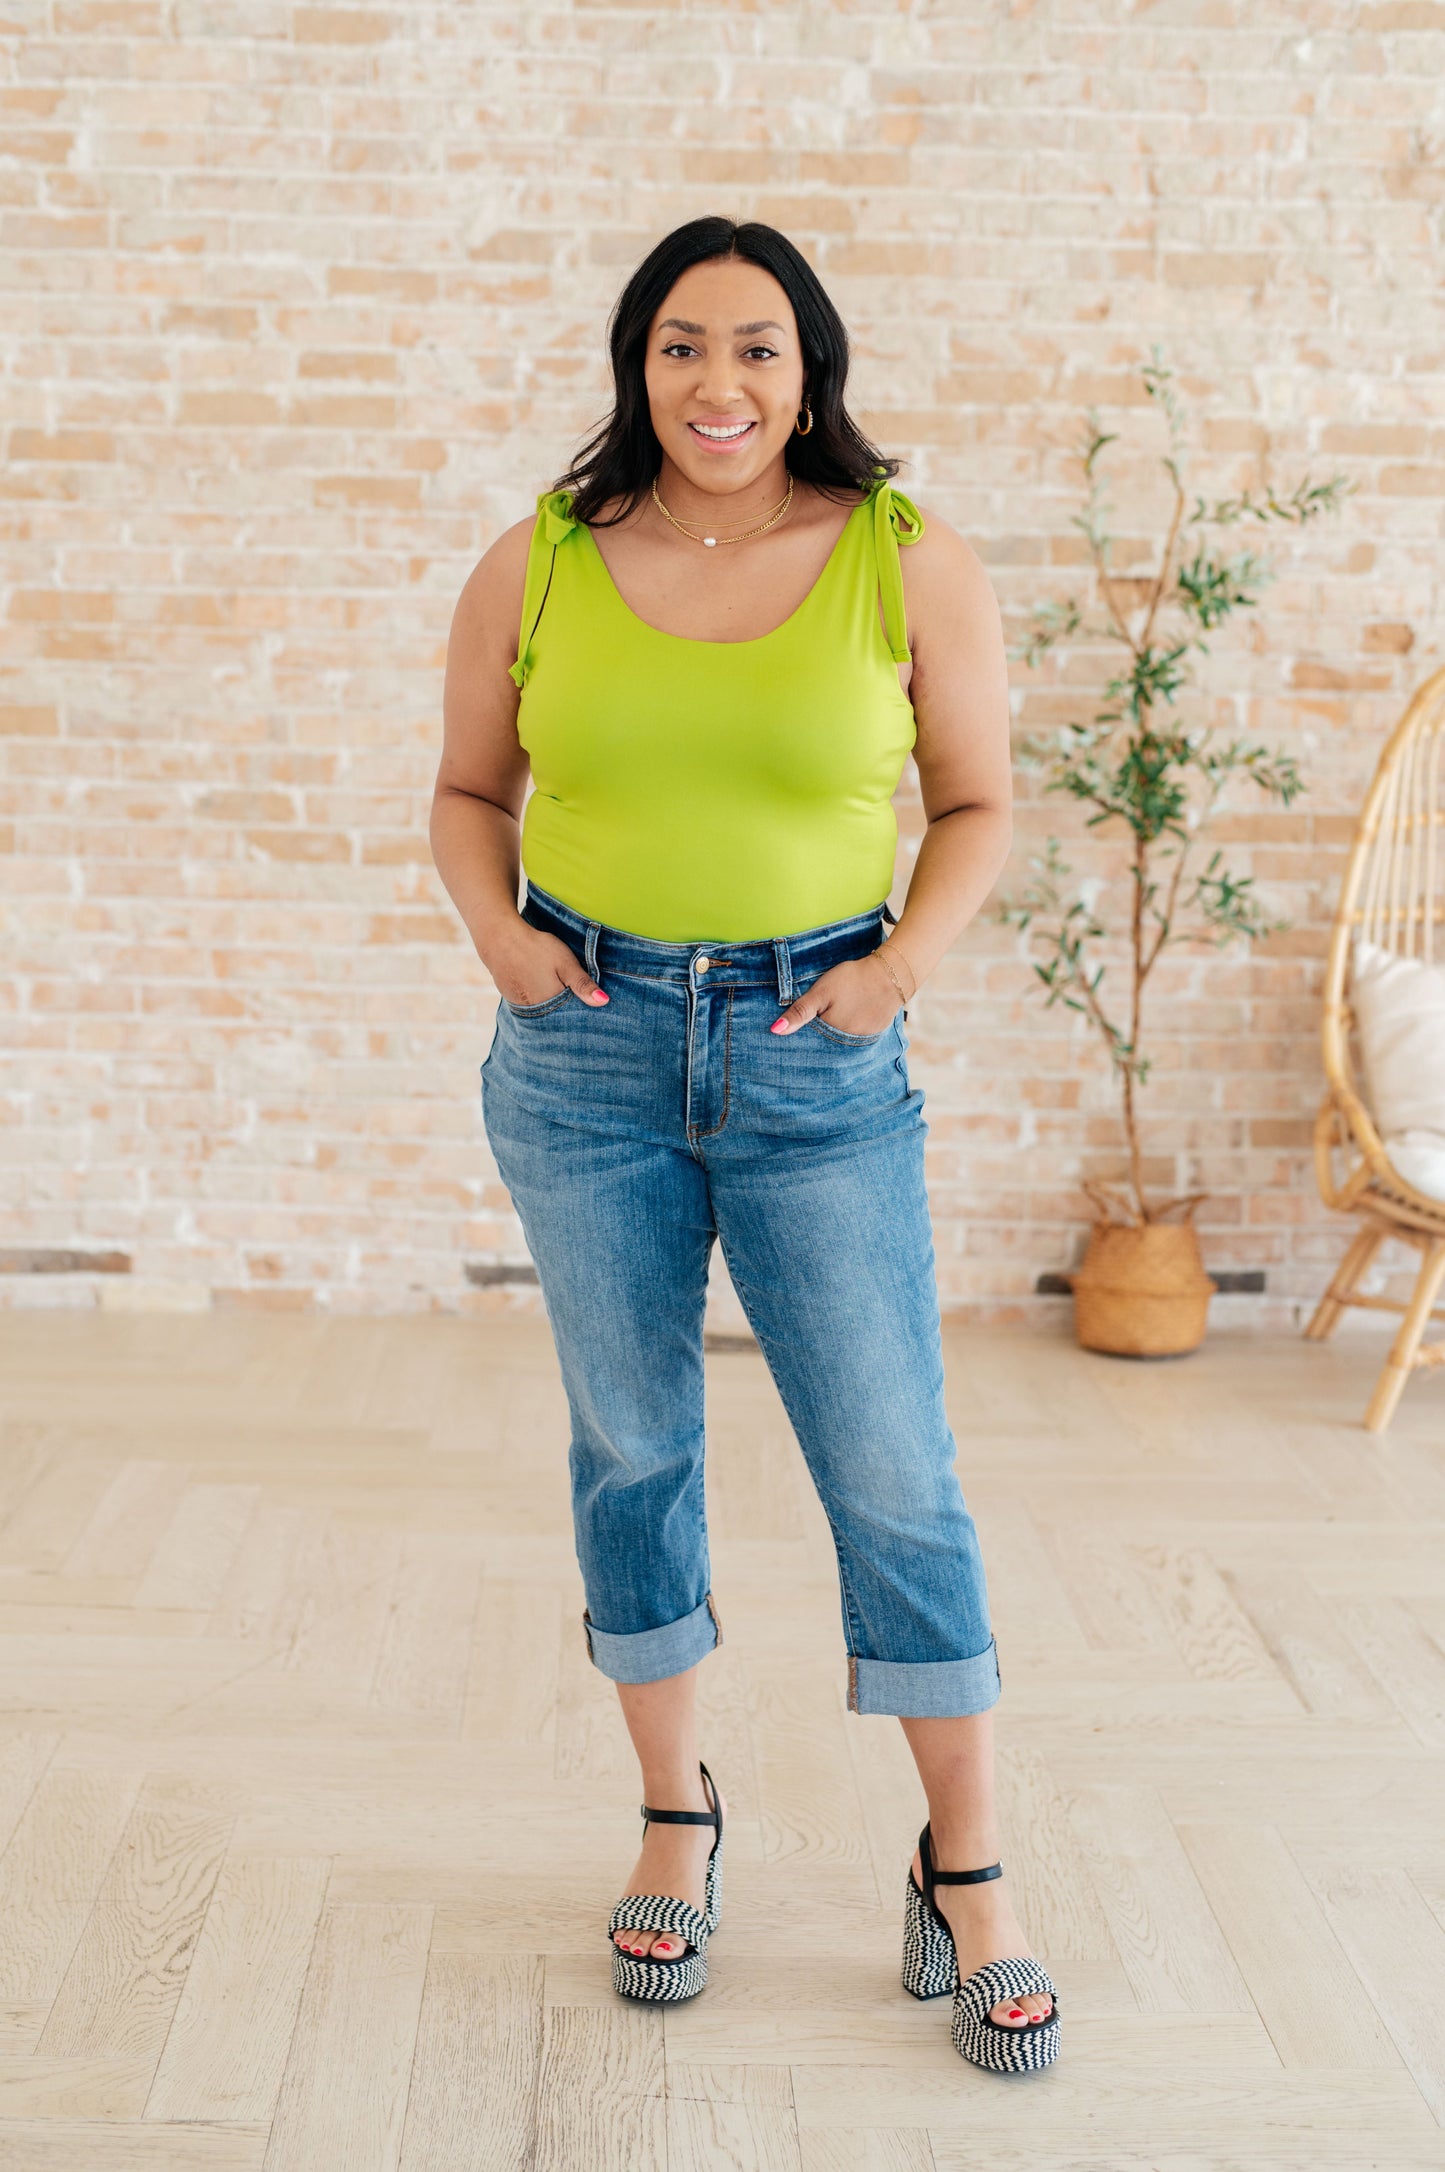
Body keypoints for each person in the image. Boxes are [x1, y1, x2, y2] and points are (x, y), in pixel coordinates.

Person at [430, 217, 1060, 2073]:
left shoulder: (901, 555)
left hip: (814, 1055)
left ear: (813, 369)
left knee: (890, 1465)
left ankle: (970, 1870)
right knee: (633, 1444)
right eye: (684, 346)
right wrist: (508, 944)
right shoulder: (538, 557)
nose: (721, 384)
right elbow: (469, 790)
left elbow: (979, 804)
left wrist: (896, 974)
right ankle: (671, 1826)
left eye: (760, 349)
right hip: (582, 1053)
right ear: (638, 363)